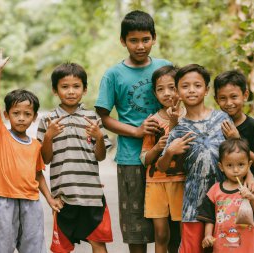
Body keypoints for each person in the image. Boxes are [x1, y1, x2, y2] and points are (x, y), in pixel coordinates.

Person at [95, 10, 171, 253]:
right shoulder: (113, 75)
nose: (140, 46)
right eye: (134, 40)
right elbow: (104, 117)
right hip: (130, 158)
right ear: (123, 41)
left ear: (154, 38)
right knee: (134, 222)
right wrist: (137, 132)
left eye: (146, 39)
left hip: (167, 156)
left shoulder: (165, 67)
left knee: (168, 223)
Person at [0, 48, 61, 253]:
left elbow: (38, 175)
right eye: (16, 113)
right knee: (2, 247)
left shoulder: (36, 145)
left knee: (34, 248)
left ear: (34, 117)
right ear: (7, 115)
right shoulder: (1, 135)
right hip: (4, 202)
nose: (21, 118)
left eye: (27, 114)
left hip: (31, 204)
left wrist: (50, 199)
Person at [37, 63, 113, 253]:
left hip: (92, 196)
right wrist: (48, 136)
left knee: (98, 243)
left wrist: (98, 137)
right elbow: (44, 159)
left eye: (76, 86)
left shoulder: (92, 118)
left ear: (84, 89)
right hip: (64, 196)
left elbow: (101, 156)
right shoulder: (48, 120)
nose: (71, 91)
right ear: (55, 90)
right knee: (61, 247)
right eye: (65, 87)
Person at [157, 64, 231, 253]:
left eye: (197, 85)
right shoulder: (179, 128)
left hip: (226, 201)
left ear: (206, 90)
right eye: (185, 86)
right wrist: (170, 151)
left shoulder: (222, 118)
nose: (191, 90)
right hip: (194, 205)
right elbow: (162, 166)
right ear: (178, 92)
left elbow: (239, 153)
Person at [213, 69, 254, 252]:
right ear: (215, 99)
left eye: (234, 97)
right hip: (225, 186)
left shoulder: (252, 125)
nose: (229, 103)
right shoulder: (216, 124)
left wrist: (237, 139)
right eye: (223, 98)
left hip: (251, 185)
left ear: (245, 95)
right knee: (228, 231)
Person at [140, 65, 186, 253]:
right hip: (156, 183)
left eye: (172, 87)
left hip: (182, 182)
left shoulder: (190, 118)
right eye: (160, 89)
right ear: (154, 93)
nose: (167, 93)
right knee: (161, 234)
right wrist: (158, 147)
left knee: (184, 233)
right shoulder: (153, 121)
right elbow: (144, 158)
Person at [196, 138, 254, 253]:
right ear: (221, 167)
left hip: (246, 247)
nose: (235, 170)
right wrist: (208, 235)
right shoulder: (214, 191)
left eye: (241, 164)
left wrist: (252, 197)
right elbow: (209, 218)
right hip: (222, 246)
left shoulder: (252, 188)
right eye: (229, 165)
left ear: (249, 165)